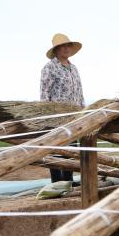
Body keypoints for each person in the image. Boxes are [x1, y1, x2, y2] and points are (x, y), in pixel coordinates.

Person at [40, 33, 85, 183]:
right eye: (62, 46)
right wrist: (47, 116)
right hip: (56, 116)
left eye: (68, 46)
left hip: (73, 115)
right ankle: (57, 183)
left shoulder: (74, 68)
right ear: (56, 49)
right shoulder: (49, 67)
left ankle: (68, 182)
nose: (66, 49)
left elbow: (79, 92)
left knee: (71, 149)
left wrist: (83, 111)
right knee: (56, 149)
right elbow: (44, 93)